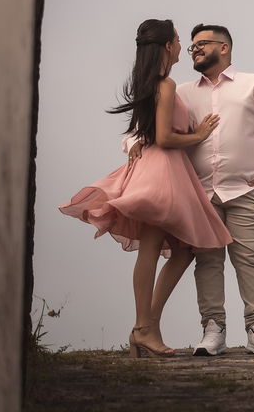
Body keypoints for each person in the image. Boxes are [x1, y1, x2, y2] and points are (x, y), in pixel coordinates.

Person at [60, 19, 232, 357]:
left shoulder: (154, 83)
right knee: (152, 249)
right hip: (162, 170)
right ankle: (143, 329)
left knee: (181, 252)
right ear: (168, 46)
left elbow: (147, 131)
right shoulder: (165, 84)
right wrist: (198, 135)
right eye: (180, 41)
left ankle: (146, 327)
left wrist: (147, 138)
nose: (184, 46)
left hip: (164, 168)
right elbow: (165, 138)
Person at [178, 24, 254, 356]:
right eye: (192, 46)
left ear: (224, 47)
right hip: (201, 194)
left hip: (246, 191)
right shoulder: (184, 93)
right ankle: (212, 329)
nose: (195, 50)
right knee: (207, 262)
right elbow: (156, 125)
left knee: (249, 258)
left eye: (202, 44)